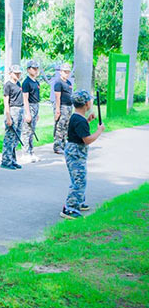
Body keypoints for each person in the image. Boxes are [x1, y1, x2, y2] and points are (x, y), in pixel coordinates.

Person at [60, 90, 105, 219]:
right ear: (87, 103)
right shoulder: (80, 121)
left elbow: (80, 130)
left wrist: (88, 121)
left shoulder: (77, 117)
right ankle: (69, 208)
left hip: (74, 152)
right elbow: (87, 139)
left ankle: (78, 201)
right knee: (79, 180)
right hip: (76, 153)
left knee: (78, 178)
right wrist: (99, 131)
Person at [1, 65, 24, 170]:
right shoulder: (8, 85)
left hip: (20, 109)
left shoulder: (18, 84)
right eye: (16, 73)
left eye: (19, 73)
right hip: (12, 110)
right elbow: (6, 101)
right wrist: (8, 116)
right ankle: (6, 160)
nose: (18, 75)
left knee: (16, 137)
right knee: (10, 136)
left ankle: (13, 159)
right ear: (10, 73)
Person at [21, 60, 41, 163]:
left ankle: (31, 152)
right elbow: (25, 99)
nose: (36, 70)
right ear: (28, 69)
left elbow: (36, 98)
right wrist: (27, 113)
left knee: (32, 131)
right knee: (27, 131)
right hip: (29, 107)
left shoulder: (36, 82)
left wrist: (37, 113)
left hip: (35, 107)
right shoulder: (26, 82)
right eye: (34, 68)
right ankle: (25, 153)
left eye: (37, 68)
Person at [53, 63, 73, 154]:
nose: (67, 74)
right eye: (65, 72)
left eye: (68, 72)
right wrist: (57, 110)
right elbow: (57, 97)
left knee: (66, 126)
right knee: (59, 126)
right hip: (61, 106)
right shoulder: (58, 82)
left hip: (68, 107)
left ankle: (64, 144)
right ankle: (57, 146)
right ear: (60, 72)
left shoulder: (68, 83)